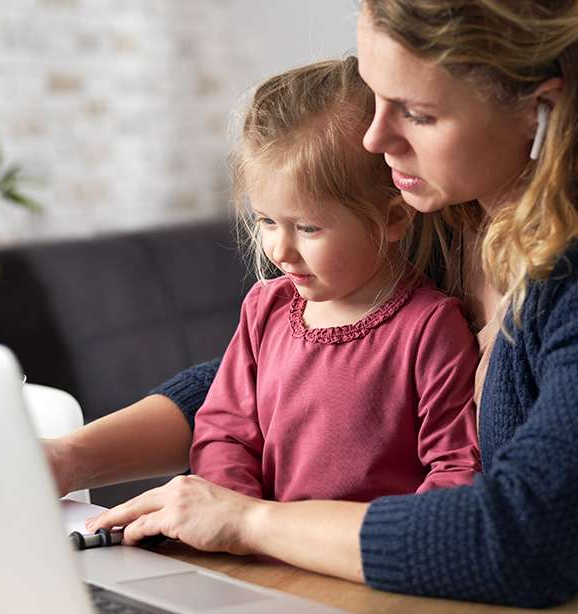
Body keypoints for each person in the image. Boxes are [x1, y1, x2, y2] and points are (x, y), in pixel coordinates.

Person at [50, 1, 578, 614]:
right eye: (376, 96)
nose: (374, 140)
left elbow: (527, 540)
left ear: (542, 107)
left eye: (417, 113)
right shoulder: (443, 215)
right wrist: (64, 460)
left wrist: (248, 520)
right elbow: (284, 372)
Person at [193, 57, 481, 503]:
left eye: (308, 228)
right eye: (267, 221)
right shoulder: (263, 309)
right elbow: (223, 434)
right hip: (261, 560)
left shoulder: (430, 330)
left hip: (362, 565)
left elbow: (457, 467)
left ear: (392, 218)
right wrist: (236, 521)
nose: (280, 251)